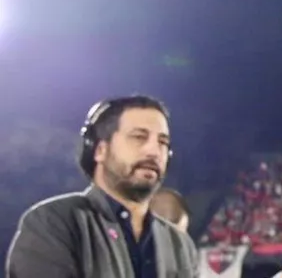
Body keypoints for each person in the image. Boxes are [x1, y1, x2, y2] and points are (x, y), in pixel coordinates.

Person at [6, 94, 199, 277]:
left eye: (162, 142)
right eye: (139, 137)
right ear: (100, 150)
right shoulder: (54, 222)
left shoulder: (180, 245)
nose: (154, 151)